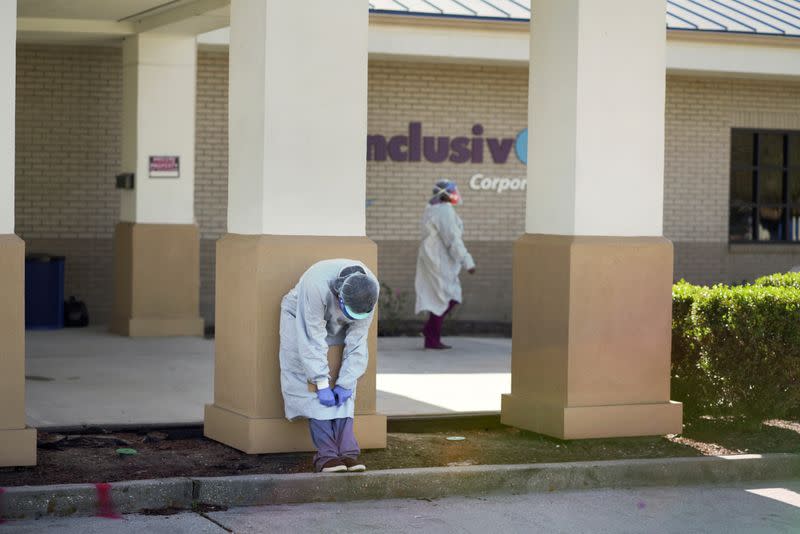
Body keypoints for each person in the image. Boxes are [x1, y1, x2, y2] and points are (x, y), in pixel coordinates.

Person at [279, 259, 379, 473]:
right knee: (314, 391)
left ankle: (348, 453)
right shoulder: (316, 283)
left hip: (339, 321)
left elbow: (358, 342)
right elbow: (312, 339)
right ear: (339, 295)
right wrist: (321, 382)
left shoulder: (370, 290)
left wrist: (346, 382)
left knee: (344, 389)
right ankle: (327, 457)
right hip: (301, 316)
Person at [414, 179, 475, 350]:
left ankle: (430, 335)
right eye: (453, 191)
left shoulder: (432, 210)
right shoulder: (444, 211)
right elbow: (453, 240)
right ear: (446, 193)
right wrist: (467, 261)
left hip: (434, 260)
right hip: (439, 261)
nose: (456, 194)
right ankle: (430, 335)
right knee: (448, 298)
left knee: (442, 298)